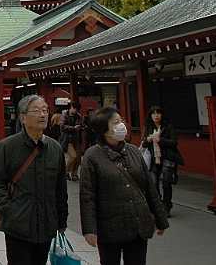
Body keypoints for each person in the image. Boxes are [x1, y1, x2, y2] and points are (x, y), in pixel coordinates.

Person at [80, 106, 168, 265]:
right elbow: (87, 195)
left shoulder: (134, 152)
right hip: (109, 227)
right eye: (116, 122)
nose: (122, 126)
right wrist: (90, 229)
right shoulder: (92, 156)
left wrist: (160, 219)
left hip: (137, 224)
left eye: (121, 121)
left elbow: (149, 188)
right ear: (104, 129)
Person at [0, 95, 68, 265]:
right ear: (23, 118)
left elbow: (60, 187)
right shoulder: (8, 146)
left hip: (46, 223)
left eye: (45, 110)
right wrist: (9, 210)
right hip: (18, 224)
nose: (43, 115)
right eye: (36, 111)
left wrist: (61, 218)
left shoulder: (55, 148)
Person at [140, 106, 184, 217]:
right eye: (154, 114)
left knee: (166, 183)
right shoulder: (148, 127)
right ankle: (158, 204)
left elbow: (174, 142)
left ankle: (167, 206)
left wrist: (161, 140)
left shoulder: (168, 127)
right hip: (153, 159)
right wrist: (148, 140)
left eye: (158, 113)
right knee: (153, 183)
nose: (156, 116)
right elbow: (143, 143)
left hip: (167, 158)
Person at [60, 101, 83, 181]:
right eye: (76, 109)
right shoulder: (65, 115)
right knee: (73, 156)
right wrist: (73, 128)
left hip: (76, 138)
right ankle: (66, 172)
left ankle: (74, 174)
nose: (77, 111)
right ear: (72, 107)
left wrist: (82, 128)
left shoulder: (78, 116)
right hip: (68, 139)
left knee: (78, 158)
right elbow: (62, 126)